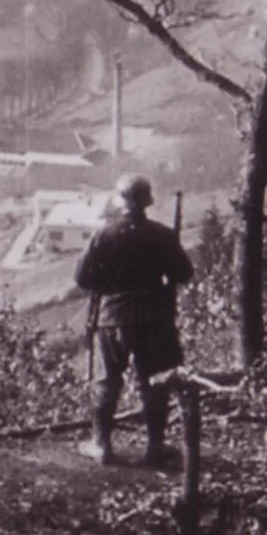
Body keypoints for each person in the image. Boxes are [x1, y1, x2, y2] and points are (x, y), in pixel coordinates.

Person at [74, 173, 193, 466]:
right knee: (153, 383)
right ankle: (155, 447)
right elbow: (184, 274)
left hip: (112, 316)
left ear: (120, 200)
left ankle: (101, 445)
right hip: (154, 318)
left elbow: (83, 277)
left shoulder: (104, 234)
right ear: (147, 201)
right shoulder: (163, 235)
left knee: (106, 382)